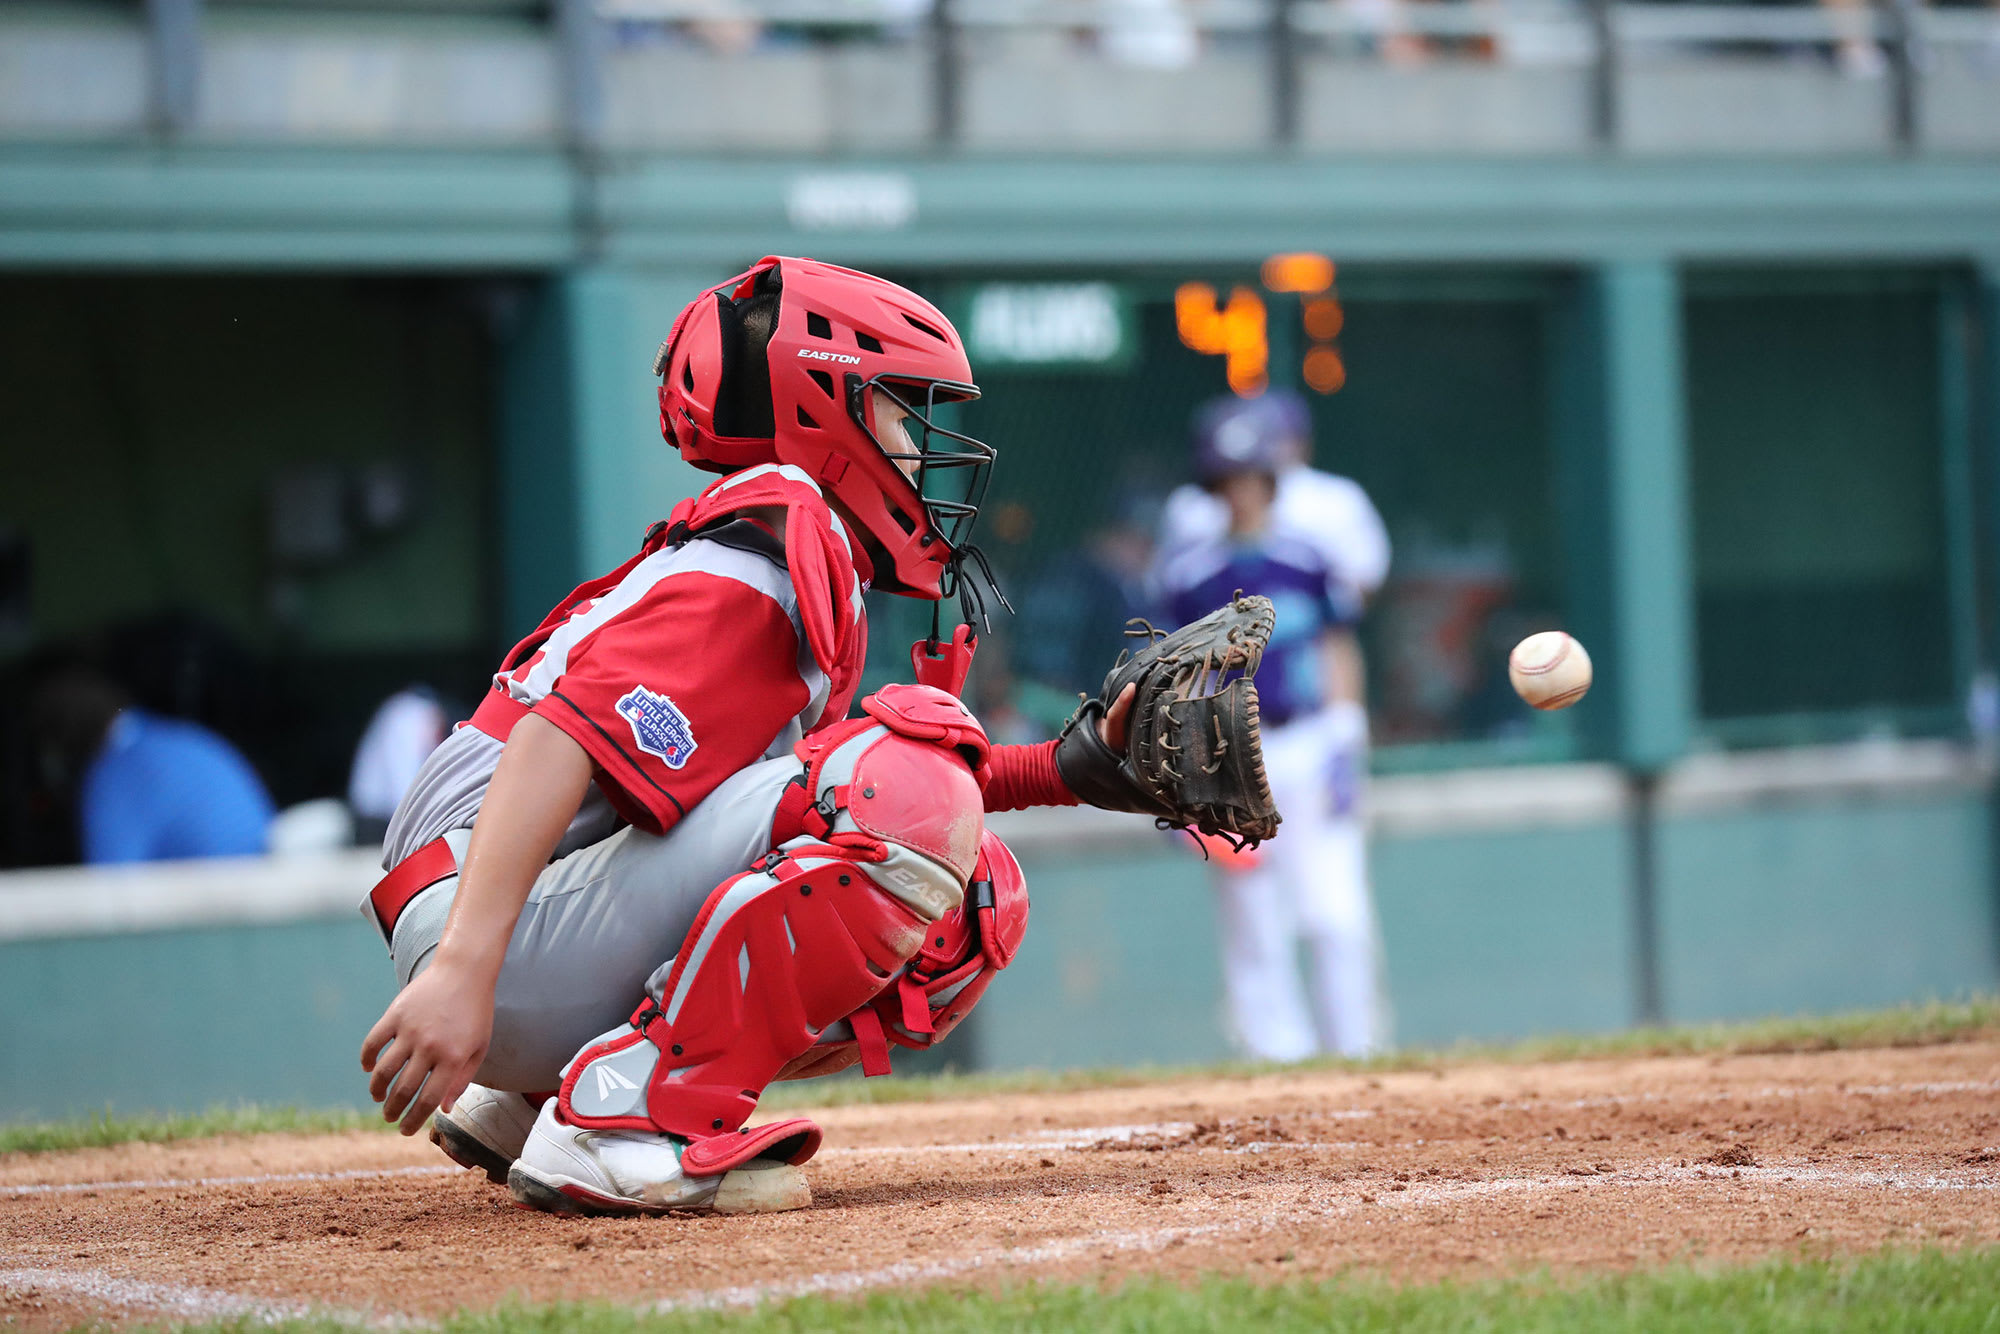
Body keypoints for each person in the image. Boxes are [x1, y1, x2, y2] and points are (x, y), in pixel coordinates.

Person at [357, 258, 1152, 1218]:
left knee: (962, 874)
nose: (922, 447)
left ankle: (537, 1100)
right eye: (904, 413)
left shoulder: (777, 538)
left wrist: (1064, 770)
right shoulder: (778, 535)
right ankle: (625, 1118)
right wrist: (464, 970)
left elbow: (772, 794)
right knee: (906, 807)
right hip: (485, 922)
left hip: (510, 903)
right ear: (828, 404)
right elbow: (557, 740)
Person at [1154, 393, 1388, 1061]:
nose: (1240, 495)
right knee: (1252, 918)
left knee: (1335, 911)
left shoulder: (1308, 559)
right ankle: (1275, 1058)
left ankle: (1357, 1050)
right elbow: (1179, 678)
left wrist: (1346, 736)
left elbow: (1338, 647)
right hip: (1231, 750)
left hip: (1310, 740)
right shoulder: (1190, 575)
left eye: (1251, 479)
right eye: (1227, 482)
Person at [32, 666, 274, 864]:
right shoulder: (183, 738)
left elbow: (108, 896)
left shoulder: (114, 776)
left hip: (224, 909)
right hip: (268, 894)